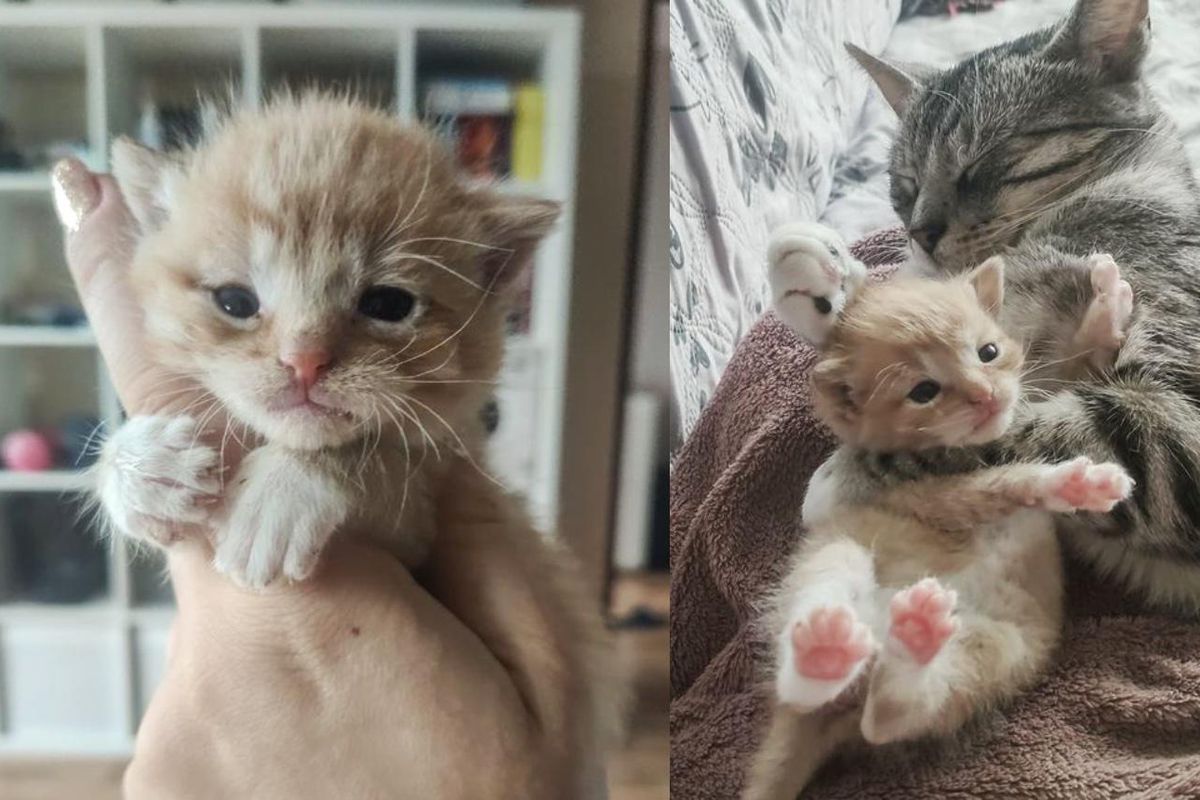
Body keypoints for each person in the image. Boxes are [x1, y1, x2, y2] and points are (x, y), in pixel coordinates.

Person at [52, 157, 600, 798]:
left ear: (493, 273)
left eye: (387, 303)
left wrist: (332, 470)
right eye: (237, 301)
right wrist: (132, 465)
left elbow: (414, 517)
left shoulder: (426, 450)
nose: (302, 355)